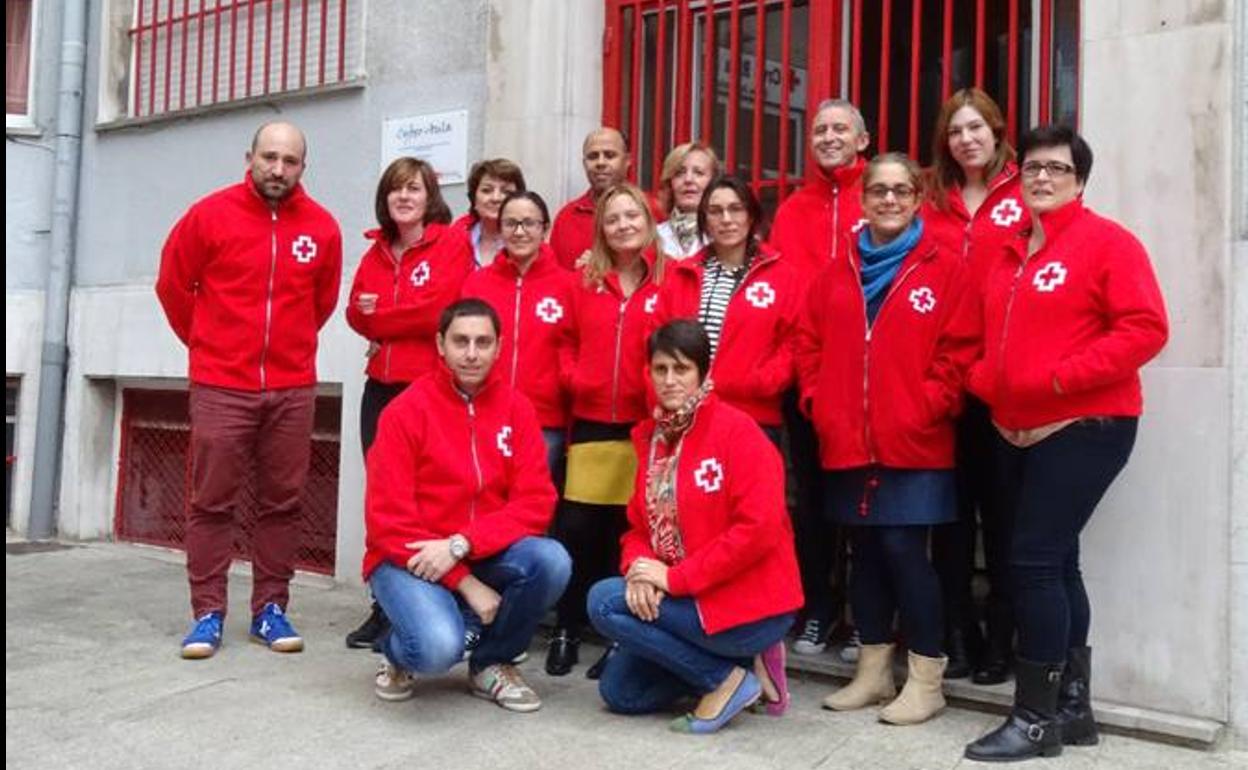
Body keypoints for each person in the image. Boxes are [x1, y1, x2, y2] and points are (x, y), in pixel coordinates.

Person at [964, 126, 1167, 761]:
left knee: (1030, 562)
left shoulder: (1108, 243)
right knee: (1057, 563)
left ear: (1079, 179)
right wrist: (988, 383)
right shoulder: (1006, 253)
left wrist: (1059, 377)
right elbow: (978, 338)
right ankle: (1074, 710)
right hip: (1013, 427)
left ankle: (1034, 719)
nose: (1041, 178)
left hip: (1087, 424)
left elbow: (1145, 328)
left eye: (1055, 168)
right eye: (1031, 168)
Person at [796, 152, 978, 725]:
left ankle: (927, 677)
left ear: (917, 199)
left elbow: (960, 353)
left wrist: (926, 405)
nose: (890, 200)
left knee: (903, 550)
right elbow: (808, 346)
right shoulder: (836, 271)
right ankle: (873, 673)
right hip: (848, 438)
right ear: (863, 199)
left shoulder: (944, 267)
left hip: (916, 441)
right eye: (879, 191)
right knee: (865, 553)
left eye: (901, 190)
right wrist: (819, 403)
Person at [156, 121, 342, 659]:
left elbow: (321, 302)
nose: (278, 169)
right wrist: (207, 344)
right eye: (270, 157)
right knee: (211, 502)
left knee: (282, 502)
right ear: (250, 157)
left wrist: (289, 350)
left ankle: (270, 610)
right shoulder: (209, 216)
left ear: (303, 167)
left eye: (290, 161)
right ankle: (208, 613)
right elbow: (173, 285)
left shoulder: (323, 228)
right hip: (221, 386)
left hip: (291, 387)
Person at [588, 320, 802, 733]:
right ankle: (734, 666)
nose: (670, 381)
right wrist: (640, 571)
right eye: (660, 369)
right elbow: (637, 526)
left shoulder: (739, 432)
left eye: (681, 369)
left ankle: (726, 679)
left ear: (703, 372)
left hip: (746, 604)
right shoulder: (653, 438)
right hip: (684, 601)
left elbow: (757, 529)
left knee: (603, 601)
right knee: (621, 692)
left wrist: (673, 578)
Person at [363, 299, 571, 713]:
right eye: (461, 341)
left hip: (475, 550)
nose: (472, 353)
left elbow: (536, 502)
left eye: (483, 342)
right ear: (440, 344)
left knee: (552, 560)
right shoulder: (405, 411)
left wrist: (461, 544)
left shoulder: (517, 409)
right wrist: (465, 582)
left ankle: (491, 664)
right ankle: (396, 647)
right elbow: (387, 521)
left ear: (499, 347)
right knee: (438, 650)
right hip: (407, 559)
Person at [342, 157, 474, 650]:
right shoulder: (376, 251)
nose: (404, 197)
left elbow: (440, 311)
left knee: (430, 500)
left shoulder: (450, 242)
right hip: (380, 388)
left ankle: (437, 600)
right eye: (396, 189)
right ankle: (386, 605)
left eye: (413, 189)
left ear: (429, 195)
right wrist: (371, 317)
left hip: (427, 390)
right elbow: (354, 311)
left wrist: (382, 317)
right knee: (385, 500)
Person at [923, 88, 1030, 683]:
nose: (967, 139)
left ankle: (1003, 642)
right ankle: (958, 635)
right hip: (943, 382)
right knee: (951, 521)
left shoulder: (1024, 194)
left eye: (976, 128)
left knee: (1006, 517)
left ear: (996, 130)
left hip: (1003, 382)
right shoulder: (931, 199)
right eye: (956, 130)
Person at [768, 99, 871, 659]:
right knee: (810, 500)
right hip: (804, 377)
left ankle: (864, 615)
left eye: (840, 129)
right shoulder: (792, 208)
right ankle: (817, 609)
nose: (829, 137)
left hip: (866, 380)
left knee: (860, 501)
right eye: (820, 130)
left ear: (862, 138)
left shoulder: (877, 195)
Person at [547, 183, 663, 677]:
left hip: (647, 425)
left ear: (647, 220)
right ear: (601, 229)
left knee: (630, 531)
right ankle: (567, 627)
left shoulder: (671, 280)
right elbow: (564, 342)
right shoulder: (584, 282)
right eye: (612, 219)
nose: (622, 226)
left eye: (631, 216)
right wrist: (577, 378)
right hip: (592, 421)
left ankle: (622, 638)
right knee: (577, 529)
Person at [653, 176, 798, 442]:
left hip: (754, 417)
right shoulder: (682, 274)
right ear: (704, 220)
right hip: (687, 416)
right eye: (716, 211)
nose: (726, 219)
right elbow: (655, 341)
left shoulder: (782, 275)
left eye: (736, 209)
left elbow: (793, 342)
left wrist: (761, 382)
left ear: (751, 215)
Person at [460, 191, 574, 479]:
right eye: (510, 223)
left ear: (544, 229)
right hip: (486, 414)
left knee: (536, 513)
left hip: (545, 421)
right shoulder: (477, 284)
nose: (519, 231)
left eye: (528, 223)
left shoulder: (570, 285)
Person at [550, 128, 634, 270]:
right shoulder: (567, 217)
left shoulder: (649, 211)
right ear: (584, 164)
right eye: (593, 156)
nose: (600, 162)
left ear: (627, 161)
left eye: (609, 155)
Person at [452, 158, 527, 269]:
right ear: (473, 198)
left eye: (506, 192)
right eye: (487, 190)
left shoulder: (530, 243)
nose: (495, 198)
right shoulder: (452, 241)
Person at [654, 142, 720, 260]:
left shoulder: (727, 233)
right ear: (670, 182)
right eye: (679, 173)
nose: (688, 180)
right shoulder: (652, 236)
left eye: (698, 173)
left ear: (714, 182)